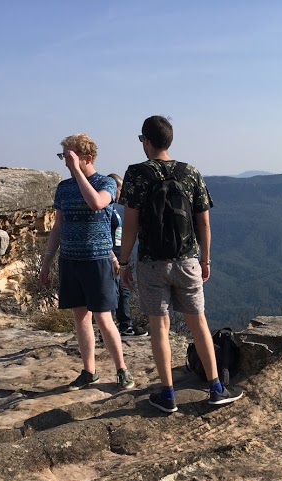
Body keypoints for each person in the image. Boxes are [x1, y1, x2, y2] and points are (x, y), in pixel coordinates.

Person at [118, 115, 242, 413]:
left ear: (146, 141)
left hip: (151, 264)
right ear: (169, 141)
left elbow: (130, 222)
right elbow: (204, 222)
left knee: (159, 327)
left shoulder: (136, 174)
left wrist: (124, 263)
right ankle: (215, 387)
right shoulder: (191, 173)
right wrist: (205, 259)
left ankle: (168, 395)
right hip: (187, 262)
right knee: (198, 323)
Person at [39, 133, 135, 391]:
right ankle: (88, 371)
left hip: (98, 260)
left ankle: (121, 370)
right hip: (71, 260)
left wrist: (78, 173)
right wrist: (47, 261)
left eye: (69, 157)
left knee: (104, 318)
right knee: (81, 318)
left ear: (87, 158)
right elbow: (58, 226)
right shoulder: (63, 188)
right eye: (64, 157)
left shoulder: (106, 183)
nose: (66, 163)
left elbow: (96, 203)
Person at [107, 173, 146, 340]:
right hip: (110, 258)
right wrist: (114, 258)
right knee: (114, 294)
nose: (122, 193)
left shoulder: (114, 209)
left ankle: (125, 326)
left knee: (123, 292)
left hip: (119, 257)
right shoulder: (105, 209)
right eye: (120, 188)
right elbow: (102, 235)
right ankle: (110, 330)